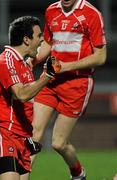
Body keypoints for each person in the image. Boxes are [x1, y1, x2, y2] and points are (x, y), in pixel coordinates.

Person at [31, 0, 107, 179]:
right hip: (50, 79)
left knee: (59, 143)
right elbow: (49, 44)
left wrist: (67, 66)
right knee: (34, 132)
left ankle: (78, 173)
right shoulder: (51, 10)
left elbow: (101, 57)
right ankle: (20, 176)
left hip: (77, 84)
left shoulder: (91, 14)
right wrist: (29, 60)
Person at [0, 16, 56, 180]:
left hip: (22, 138)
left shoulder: (22, 64)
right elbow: (22, 94)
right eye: (38, 36)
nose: (41, 41)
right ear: (26, 39)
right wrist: (47, 76)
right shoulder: (5, 61)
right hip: (5, 133)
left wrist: (28, 135)